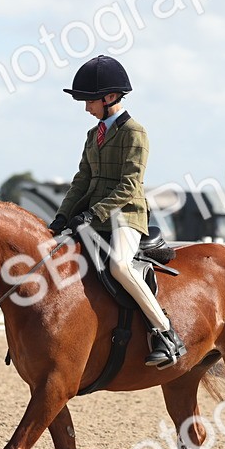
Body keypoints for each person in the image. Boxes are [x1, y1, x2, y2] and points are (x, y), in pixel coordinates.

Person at [48, 55, 187, 369]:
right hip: (92, 217)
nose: (86, 108)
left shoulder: (134, 133)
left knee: (120, 267)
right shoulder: (92, 136)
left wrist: (93, 213)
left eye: (89, 101)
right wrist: (62, 215)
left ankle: (166, 333)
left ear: (110, 97)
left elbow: (129, 184)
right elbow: (82, 180)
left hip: (125, 215)